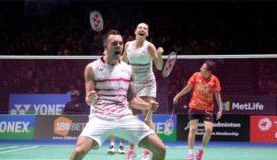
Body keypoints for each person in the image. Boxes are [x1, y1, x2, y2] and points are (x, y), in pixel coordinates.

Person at [70, 29, 166, 160]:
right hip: (100, 117)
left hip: (124, 117)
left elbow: (133, 100)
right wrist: (91, 99)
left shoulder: (128, 69)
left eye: (120, 43)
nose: (119, 46)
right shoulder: (92, 68)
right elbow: (88, 99)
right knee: (78, 152)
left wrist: (148, 105)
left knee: (160, 149)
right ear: (106, 46)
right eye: (114, 43)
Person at [120, 22, 164, 156]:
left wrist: (159, 55)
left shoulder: (149, 47)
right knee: (131, 116)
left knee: (147, 115)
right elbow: (123, 62)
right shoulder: (128, 45)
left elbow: (159, 66)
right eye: (140, 27)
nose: (142, 30)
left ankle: (154, 148)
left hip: (148, 84)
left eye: (145, 28)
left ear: (147, 34)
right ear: (135, 31)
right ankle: (132, 150)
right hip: (133, 84)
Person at [173, 60, 223, 160]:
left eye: (203, 68)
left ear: (209, 71)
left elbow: (217, 95)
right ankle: (190, 154)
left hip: (207, 108)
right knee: (192, 129)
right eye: (202, 66)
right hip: (194, 106)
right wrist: (178, 96)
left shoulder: (214, 80)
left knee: (209, 130)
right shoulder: (196, 75)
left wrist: (220, 109)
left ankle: (201, 151)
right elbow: (188, 87)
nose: (201, 68)